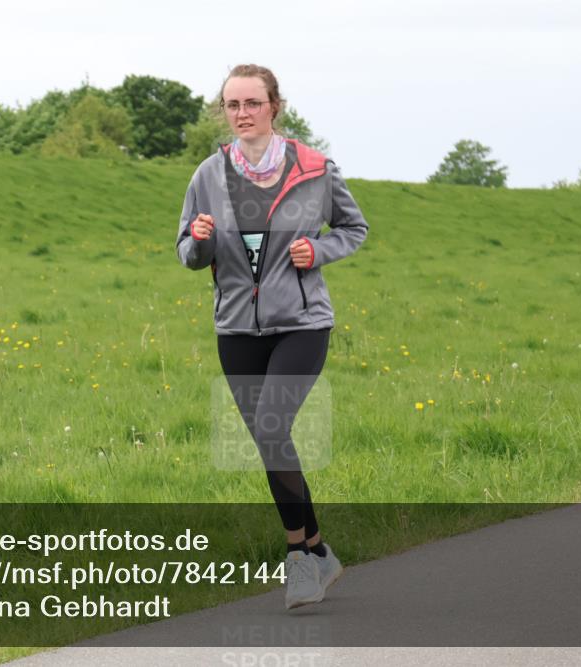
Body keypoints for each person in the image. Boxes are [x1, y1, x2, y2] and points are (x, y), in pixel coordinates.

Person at [174, 64, 368, 609]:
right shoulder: (207, 175)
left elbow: (353, 228)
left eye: (252, 103)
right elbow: (188, 253)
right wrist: (200, 240)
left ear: (274, 106)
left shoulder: (313, 169)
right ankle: (319, 549)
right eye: (232, 105)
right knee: (267, 440)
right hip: (236, 326)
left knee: (270, 423)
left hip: (303, 323)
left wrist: (319, 250)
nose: (242, 114)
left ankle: (299, 559)